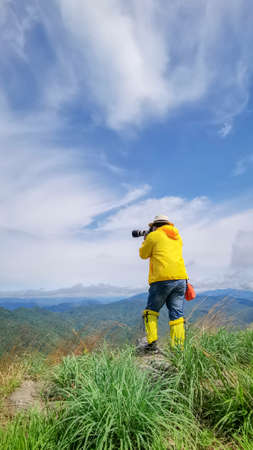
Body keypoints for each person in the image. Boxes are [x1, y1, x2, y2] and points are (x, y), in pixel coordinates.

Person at [139, 214, 188, 353]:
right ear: (168, 224)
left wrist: (146, 239)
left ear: (155, 225)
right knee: (177, 314)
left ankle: (151, 344)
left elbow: (143, 254)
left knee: (151, 311)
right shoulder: (177, 237)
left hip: (162, 279)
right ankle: (178, 349)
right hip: (180, 280)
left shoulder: (154, 236)